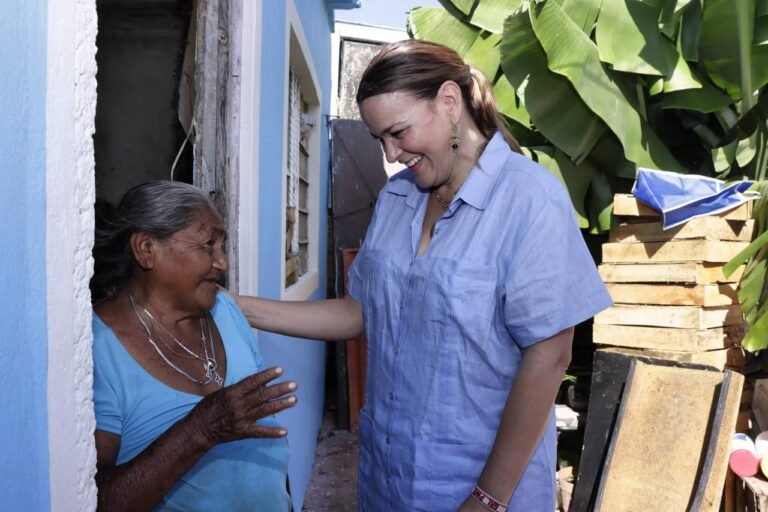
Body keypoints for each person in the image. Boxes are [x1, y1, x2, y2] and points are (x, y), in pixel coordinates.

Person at [235, 40, 612, 511]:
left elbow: (551, 357)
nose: (391, 155)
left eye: (398, 132)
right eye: (380, 140)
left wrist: (487, 498)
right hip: (386, 479)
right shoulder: (398, 198)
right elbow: (359, 313)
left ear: (450, 103)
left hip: (476, 485)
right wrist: (239, 308)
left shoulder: (529, 199)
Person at [90, 181, 298, 512]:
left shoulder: (225, 311)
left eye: (222, 246)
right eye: (208, 244)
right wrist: (200, 429)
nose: (222, 263)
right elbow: (96, 501)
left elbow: (268, 429)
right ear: (146, 249)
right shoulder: (97, 350)